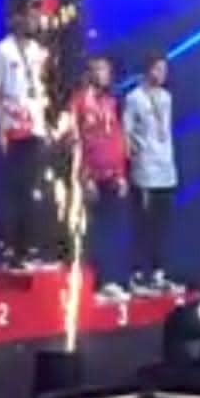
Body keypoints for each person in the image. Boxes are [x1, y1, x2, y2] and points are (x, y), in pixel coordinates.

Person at [0, 3, 53, 269]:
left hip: (35, 128)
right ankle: (12, 250)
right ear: (18, 19)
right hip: (14, 130)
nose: (35, 22)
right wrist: (0, 128)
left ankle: (30, 248)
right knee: (14, 191)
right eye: (31, 17)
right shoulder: (3, 50)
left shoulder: (37, 51)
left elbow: (40, 90)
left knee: (33, 190)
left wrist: (45, 124)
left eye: (38, 17)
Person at [71, 55, 131, 302]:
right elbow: (76, 142)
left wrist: (122, 174)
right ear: (89, 72)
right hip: (91, 177)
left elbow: (117, 139)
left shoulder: (111, 101)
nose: (102, 74)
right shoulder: (78, 102)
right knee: (94, 232)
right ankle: (94, 283)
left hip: (112, 176)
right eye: (97, 69)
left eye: (105, 69)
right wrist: (85, 176)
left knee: (113, 229)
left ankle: (111, 281)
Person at [123, 53, 182, 296]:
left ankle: (159, 273)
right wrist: (132, 159)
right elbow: (126, 132)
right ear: (147, 70)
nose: (162, 74)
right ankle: (138, 274)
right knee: (143, 224)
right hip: (145, 169)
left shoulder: (166, 97)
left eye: (164, 69)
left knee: (162, 225)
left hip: (166, 168)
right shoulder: (134, 98)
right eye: (157, 69)